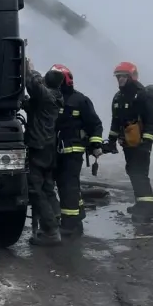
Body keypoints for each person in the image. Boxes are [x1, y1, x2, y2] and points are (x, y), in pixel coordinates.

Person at [48, 64, 104, 238]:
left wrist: (96, 144)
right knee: (68, 185)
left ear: (65, 79)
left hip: (73, 151)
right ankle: (77, 216)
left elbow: (95, 124)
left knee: (68, 186)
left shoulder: (80, 100)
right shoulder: (51, 98)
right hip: (57, 151)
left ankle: (70, 224)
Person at [102, 61, 153, 234]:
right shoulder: (118, 98)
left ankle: (147, 211)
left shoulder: (143, 95)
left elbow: (152, 121)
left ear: (132, 76)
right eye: (118, 77)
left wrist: (146, 141)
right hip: (128, 142)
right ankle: (140, 204)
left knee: (140, 174)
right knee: (132, 171)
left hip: (141, 143)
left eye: (123, 77)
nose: (120, 80)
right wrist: (111, 141)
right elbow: (115, 121)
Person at [23, 58, 65, 246]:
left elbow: (33, 84)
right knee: (48, 188)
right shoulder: (55, 96)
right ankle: (55, 221)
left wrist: (29, 68)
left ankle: (50, 230)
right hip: (48, 148)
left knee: (35, 189)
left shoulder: (46, 96)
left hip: (38, 147)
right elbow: (32, 106)